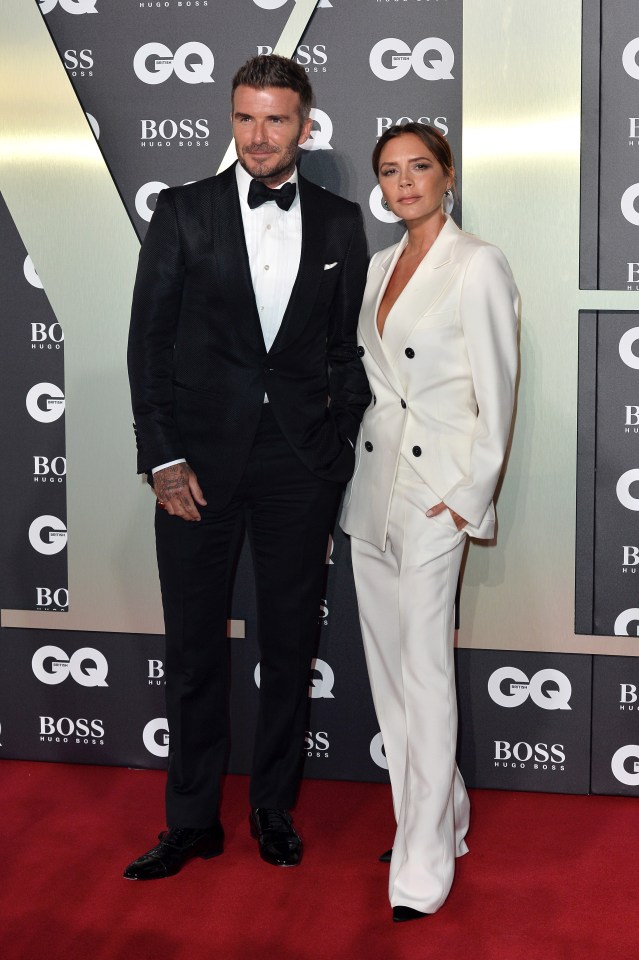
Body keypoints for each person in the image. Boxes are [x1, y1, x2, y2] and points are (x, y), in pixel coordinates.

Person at [125, 55, 369, 880]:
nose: (258, 138)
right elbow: (148, 344)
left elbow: (344, 352)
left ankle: (272, 806)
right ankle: (191, 818)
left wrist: (334, 452)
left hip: (299, 463)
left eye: (275, 120)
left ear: (305, 125)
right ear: (229, 118)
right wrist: (161, 457)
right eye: (244, 118)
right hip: (193, 463)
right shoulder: (182, 213)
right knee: (193, 646)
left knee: (290, 641)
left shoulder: (338, 221)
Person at [340, 123, 519, 922]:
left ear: (447, 175)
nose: (403, 182)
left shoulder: (476, 263)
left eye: (418, 167)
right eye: (389, 171)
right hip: (373, 491)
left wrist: (464, 492)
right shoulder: (379, 265)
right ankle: (437, 816)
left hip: (434, 492)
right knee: (389, 677)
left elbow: (498, 388)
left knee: (424, 670)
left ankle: (420, 863)